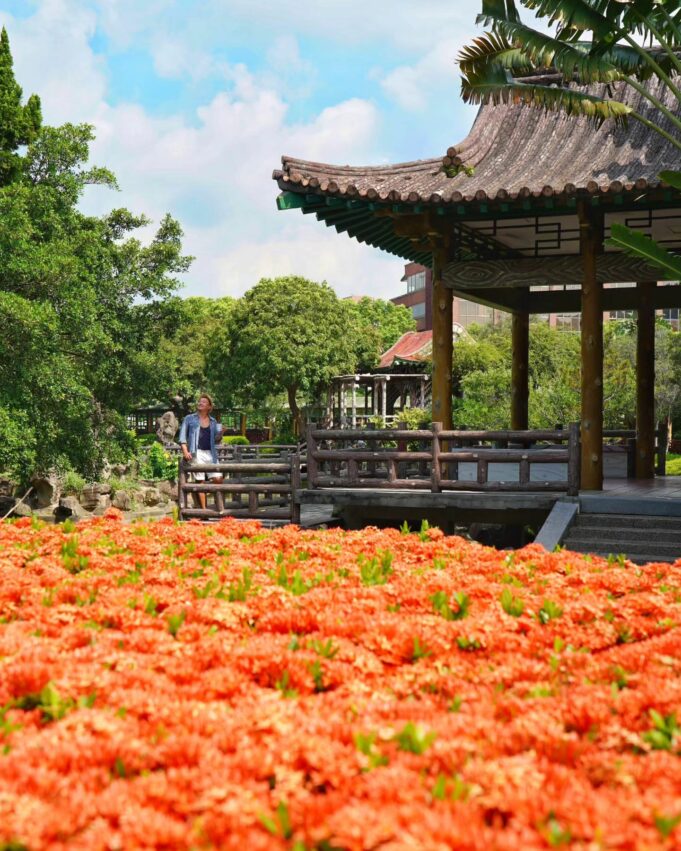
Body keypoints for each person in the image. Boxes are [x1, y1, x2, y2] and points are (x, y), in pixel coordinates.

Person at [178, 394, 224, 510]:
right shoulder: (189, 418)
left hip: (211, 453)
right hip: (196, 453)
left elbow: (216, 440)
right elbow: (182, 437)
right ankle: (204, 510)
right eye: (199, 401)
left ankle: (218, 506)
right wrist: (185, 451)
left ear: (209, 407)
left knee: (218, 479)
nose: (200, 403)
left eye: (203, 402)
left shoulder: (213, 421)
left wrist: (221, 433)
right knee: (201, 481)